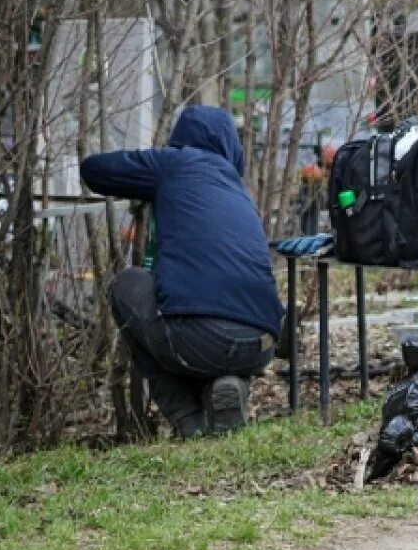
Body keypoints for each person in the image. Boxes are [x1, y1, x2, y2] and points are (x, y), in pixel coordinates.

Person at [81, 105, 284, 439]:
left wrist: (151, 174)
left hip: (198, 339)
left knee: (127, 286)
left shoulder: (177, 163)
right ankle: (228, 387)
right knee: (221, 321)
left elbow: (94, 171)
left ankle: (187, 418)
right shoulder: (238, 190)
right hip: (260, 346)